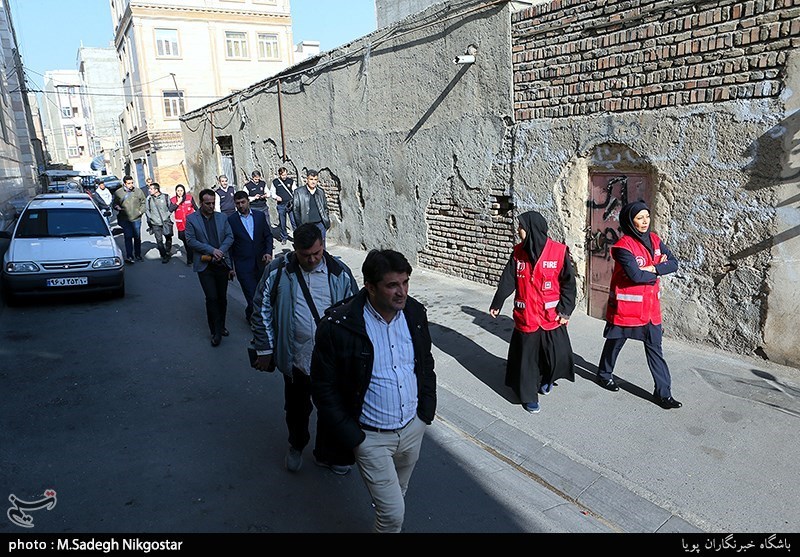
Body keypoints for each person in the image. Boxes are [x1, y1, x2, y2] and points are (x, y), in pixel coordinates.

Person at [311, 249, 437, 533]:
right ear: (369, 286)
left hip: (412, 429)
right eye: (392, 285)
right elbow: (323, 388)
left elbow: (425, 364)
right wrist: (354, 436)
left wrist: (425, 414)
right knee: (393, 516)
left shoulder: (414, 313)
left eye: (405, 282)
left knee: (396, 498)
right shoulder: (339, 326)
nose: (401, 292)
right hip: (370, 438)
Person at [250, 223, 358, 475]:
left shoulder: (339, 273)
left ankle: (326, 454)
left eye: (317, 253)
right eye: (305, 254)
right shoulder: (278, 271)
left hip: (330, 361)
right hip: (295, 357)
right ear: (295, 250)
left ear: (323, 245)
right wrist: (265, 349)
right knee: (297, 409)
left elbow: (354, 314)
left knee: (331, 410)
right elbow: (262, 307)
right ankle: (296, 445)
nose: (312, 259)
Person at [595, 201, 682, 409]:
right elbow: (635, 275)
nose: (644, 221)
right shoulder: (622, 246)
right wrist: (657, 270)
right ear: (629, 220)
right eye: (639, 218)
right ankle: (604, 374)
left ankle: (663, 393)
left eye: (647, 216)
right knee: (615, 341)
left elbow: (674, 263)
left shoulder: (654, 239)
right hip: (627, 307)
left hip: (651, 310)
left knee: (655, 349)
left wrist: (651, 269)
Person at [489, 211, 576, 414]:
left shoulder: (558, 251)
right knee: (527, 360)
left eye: (520, 227)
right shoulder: (518, 252)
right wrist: (498, 301)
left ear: (531, 229)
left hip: (551, 315)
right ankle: (528, 396)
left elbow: (569, 284)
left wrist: (565, 310)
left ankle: (548, 379)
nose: (518, 230)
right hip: (527, 315)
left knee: (556, 355)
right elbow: (508, 279)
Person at [185, 188, 234, 347]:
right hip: (205, 265)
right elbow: (191, 241)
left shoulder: (222, 218)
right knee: (211, 298)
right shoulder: (192, 219)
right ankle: (215, 332)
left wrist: (220, 251)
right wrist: (211, 250)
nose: (211, 206)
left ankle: (222, 325)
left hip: (221, 264)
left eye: (213, 203)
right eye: (208, 203)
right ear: (201, 203)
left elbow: (229, 236)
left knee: (222, 298)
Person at [228, 190, 274, 322]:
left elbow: (268, 236)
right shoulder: (231, 220)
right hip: (243, 266)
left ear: (248, 201)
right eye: (238, 203)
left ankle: (250, 313)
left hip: (261, 263)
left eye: (243, 202)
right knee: (251, 294)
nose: (241, 205)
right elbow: (229, 245)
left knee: (262, 294)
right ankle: (258, 323)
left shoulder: (259, 216)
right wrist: (230, 267)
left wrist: (268, 252)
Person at [113, 175, 146, 264]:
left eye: (132, 183)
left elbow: (143, 202)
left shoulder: (138, 191)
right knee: (128, 237)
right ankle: (129, 256)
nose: (131, 185)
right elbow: (114, 203)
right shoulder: (118, 193)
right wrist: (117, 207)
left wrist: (140, 211)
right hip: (125, 218)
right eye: (129, 183)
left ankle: (138, 255)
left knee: (137, 237)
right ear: (124, 184)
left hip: (136, 218)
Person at [292, 169, 330, 246]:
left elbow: (325, 207)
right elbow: (296, 210)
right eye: (311, 179)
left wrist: (325, 222)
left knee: (321, 247)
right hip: (307, 225)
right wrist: (300, 226)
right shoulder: (299, 192)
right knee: (309, 247)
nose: (313, 182)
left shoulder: (320, 191)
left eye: (315, 179)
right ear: (307, 180)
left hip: (320, 225)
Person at [144, 182, 175, 264]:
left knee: (168, 237)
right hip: (155, 223)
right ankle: (164, 255)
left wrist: (167, 215)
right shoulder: (149, 198)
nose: (149, 190)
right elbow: (147, 210)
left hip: (166, 222)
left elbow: (170, 207)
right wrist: (151, 218)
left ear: (156, 190)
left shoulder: (165, 197)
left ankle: (168, 251)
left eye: (151, 189)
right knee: (159, 240)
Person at [171, 184, 197, 266]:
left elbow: (196, 208)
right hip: (181, 225)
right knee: (185, 241)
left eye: (181, 190)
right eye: (178, 191)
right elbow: (170, 209)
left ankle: (190, 260)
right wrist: (177, 203)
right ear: (176, 191)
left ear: (184, 191)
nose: (180, 192)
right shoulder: (173, 200)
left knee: (189, 242)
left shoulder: (189, 198)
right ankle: (192, 256)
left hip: (190, 224)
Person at [271, 167, 296, 244]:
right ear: (279, 174)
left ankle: (297, 237)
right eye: (283, 175)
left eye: (285, 174)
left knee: (294, 222)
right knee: (282, 222)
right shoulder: (275, 182)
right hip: (281, 205)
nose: (284, 176)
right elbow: (272, 192)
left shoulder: (291, 181)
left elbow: (295, 190)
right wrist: (276, 197)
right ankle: (284, 237)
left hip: (290, 204)